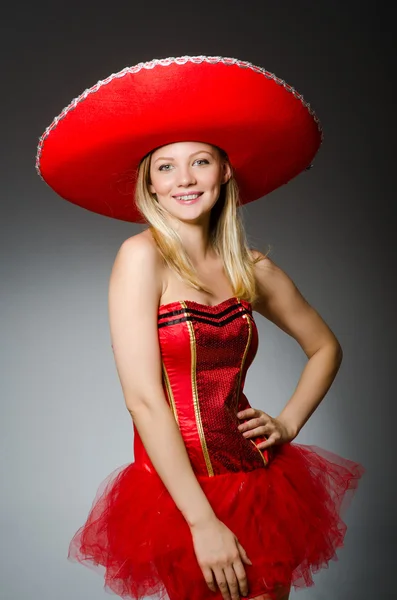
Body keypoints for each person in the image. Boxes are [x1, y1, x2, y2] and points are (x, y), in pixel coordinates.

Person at [36, 55, 365, 600]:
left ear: (225, 171)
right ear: (150, 182)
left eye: (200, 162)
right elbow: (144, 401)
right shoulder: (141, 258)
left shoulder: (251, 268)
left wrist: (287, 423)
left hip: (258, 481)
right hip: (180, 494)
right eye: (166, 166)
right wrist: (202, 523)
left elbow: (325, 346)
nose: (184, 179)